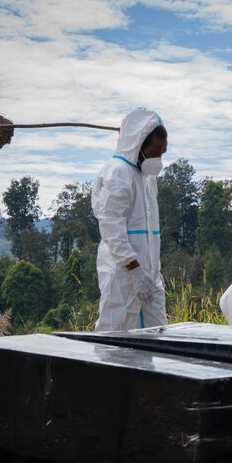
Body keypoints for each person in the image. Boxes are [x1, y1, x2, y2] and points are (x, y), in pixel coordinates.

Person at [92, 108, 168, 331]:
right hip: (124, 275)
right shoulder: (117, 173)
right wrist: (135, 270)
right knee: (118, 336)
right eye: (155, 153)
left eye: (162, 154)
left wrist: (150, 272)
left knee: (158, 334)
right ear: (138, 144)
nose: (158, 159)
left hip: (150, 276)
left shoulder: (146, 178)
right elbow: (111, 227)